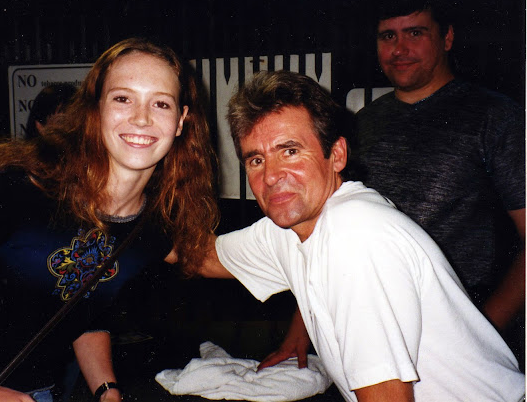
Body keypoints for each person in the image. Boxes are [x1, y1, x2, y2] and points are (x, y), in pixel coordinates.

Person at [0, 38, 218, 402]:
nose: (142, 118)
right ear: (95, 110)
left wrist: (107, 390)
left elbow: (83, 312)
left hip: (34, 394)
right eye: (123, 98)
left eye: (161, 103)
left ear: (180, 121)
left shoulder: (151, 230)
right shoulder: (24, 190)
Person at [199, 70, 525, 401]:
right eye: (256, 160)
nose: (271, 176)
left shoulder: (354, 233)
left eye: (290, 151)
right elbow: (202, 257)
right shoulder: (292, 229)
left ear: (337, 155)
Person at [260, 0, 526, 371]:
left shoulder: (496, 118)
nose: (400, 49)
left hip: (459, 341)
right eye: (388, 36)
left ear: (447, 37)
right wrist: (302, 327)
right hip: (370, 329)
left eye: (415, 33)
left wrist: (482, 332)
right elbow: (326, 231)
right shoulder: (360, 125)